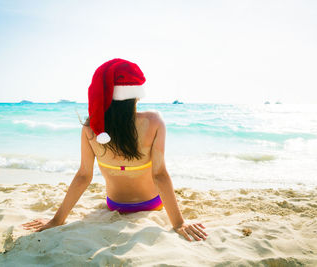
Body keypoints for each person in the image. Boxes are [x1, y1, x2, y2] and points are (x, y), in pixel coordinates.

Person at [22, 58, 208, 242]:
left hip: (115, 205)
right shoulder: (154, 121)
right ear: (137, 93)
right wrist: (178, 224)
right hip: (151, 204)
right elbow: (159, 175)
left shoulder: (91, 128)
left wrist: (57, 220)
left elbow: (83, 176)